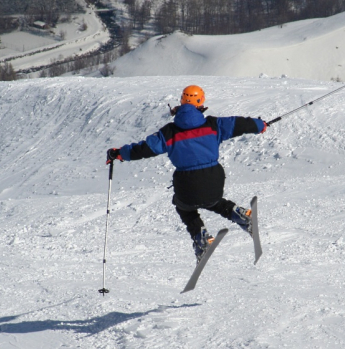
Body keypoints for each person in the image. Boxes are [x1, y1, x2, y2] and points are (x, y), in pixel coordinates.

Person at [106, 85, 268, 263]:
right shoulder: (214, 125)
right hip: (214, 177)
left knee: (184, 206)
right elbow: (240, 124)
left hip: (186, 183)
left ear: (182, 101)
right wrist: (260, 125)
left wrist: (119, 153)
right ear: (201, 103)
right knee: (211, 200)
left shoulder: (168, 133)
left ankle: (202, 238)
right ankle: (241, 215)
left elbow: (142, 149)